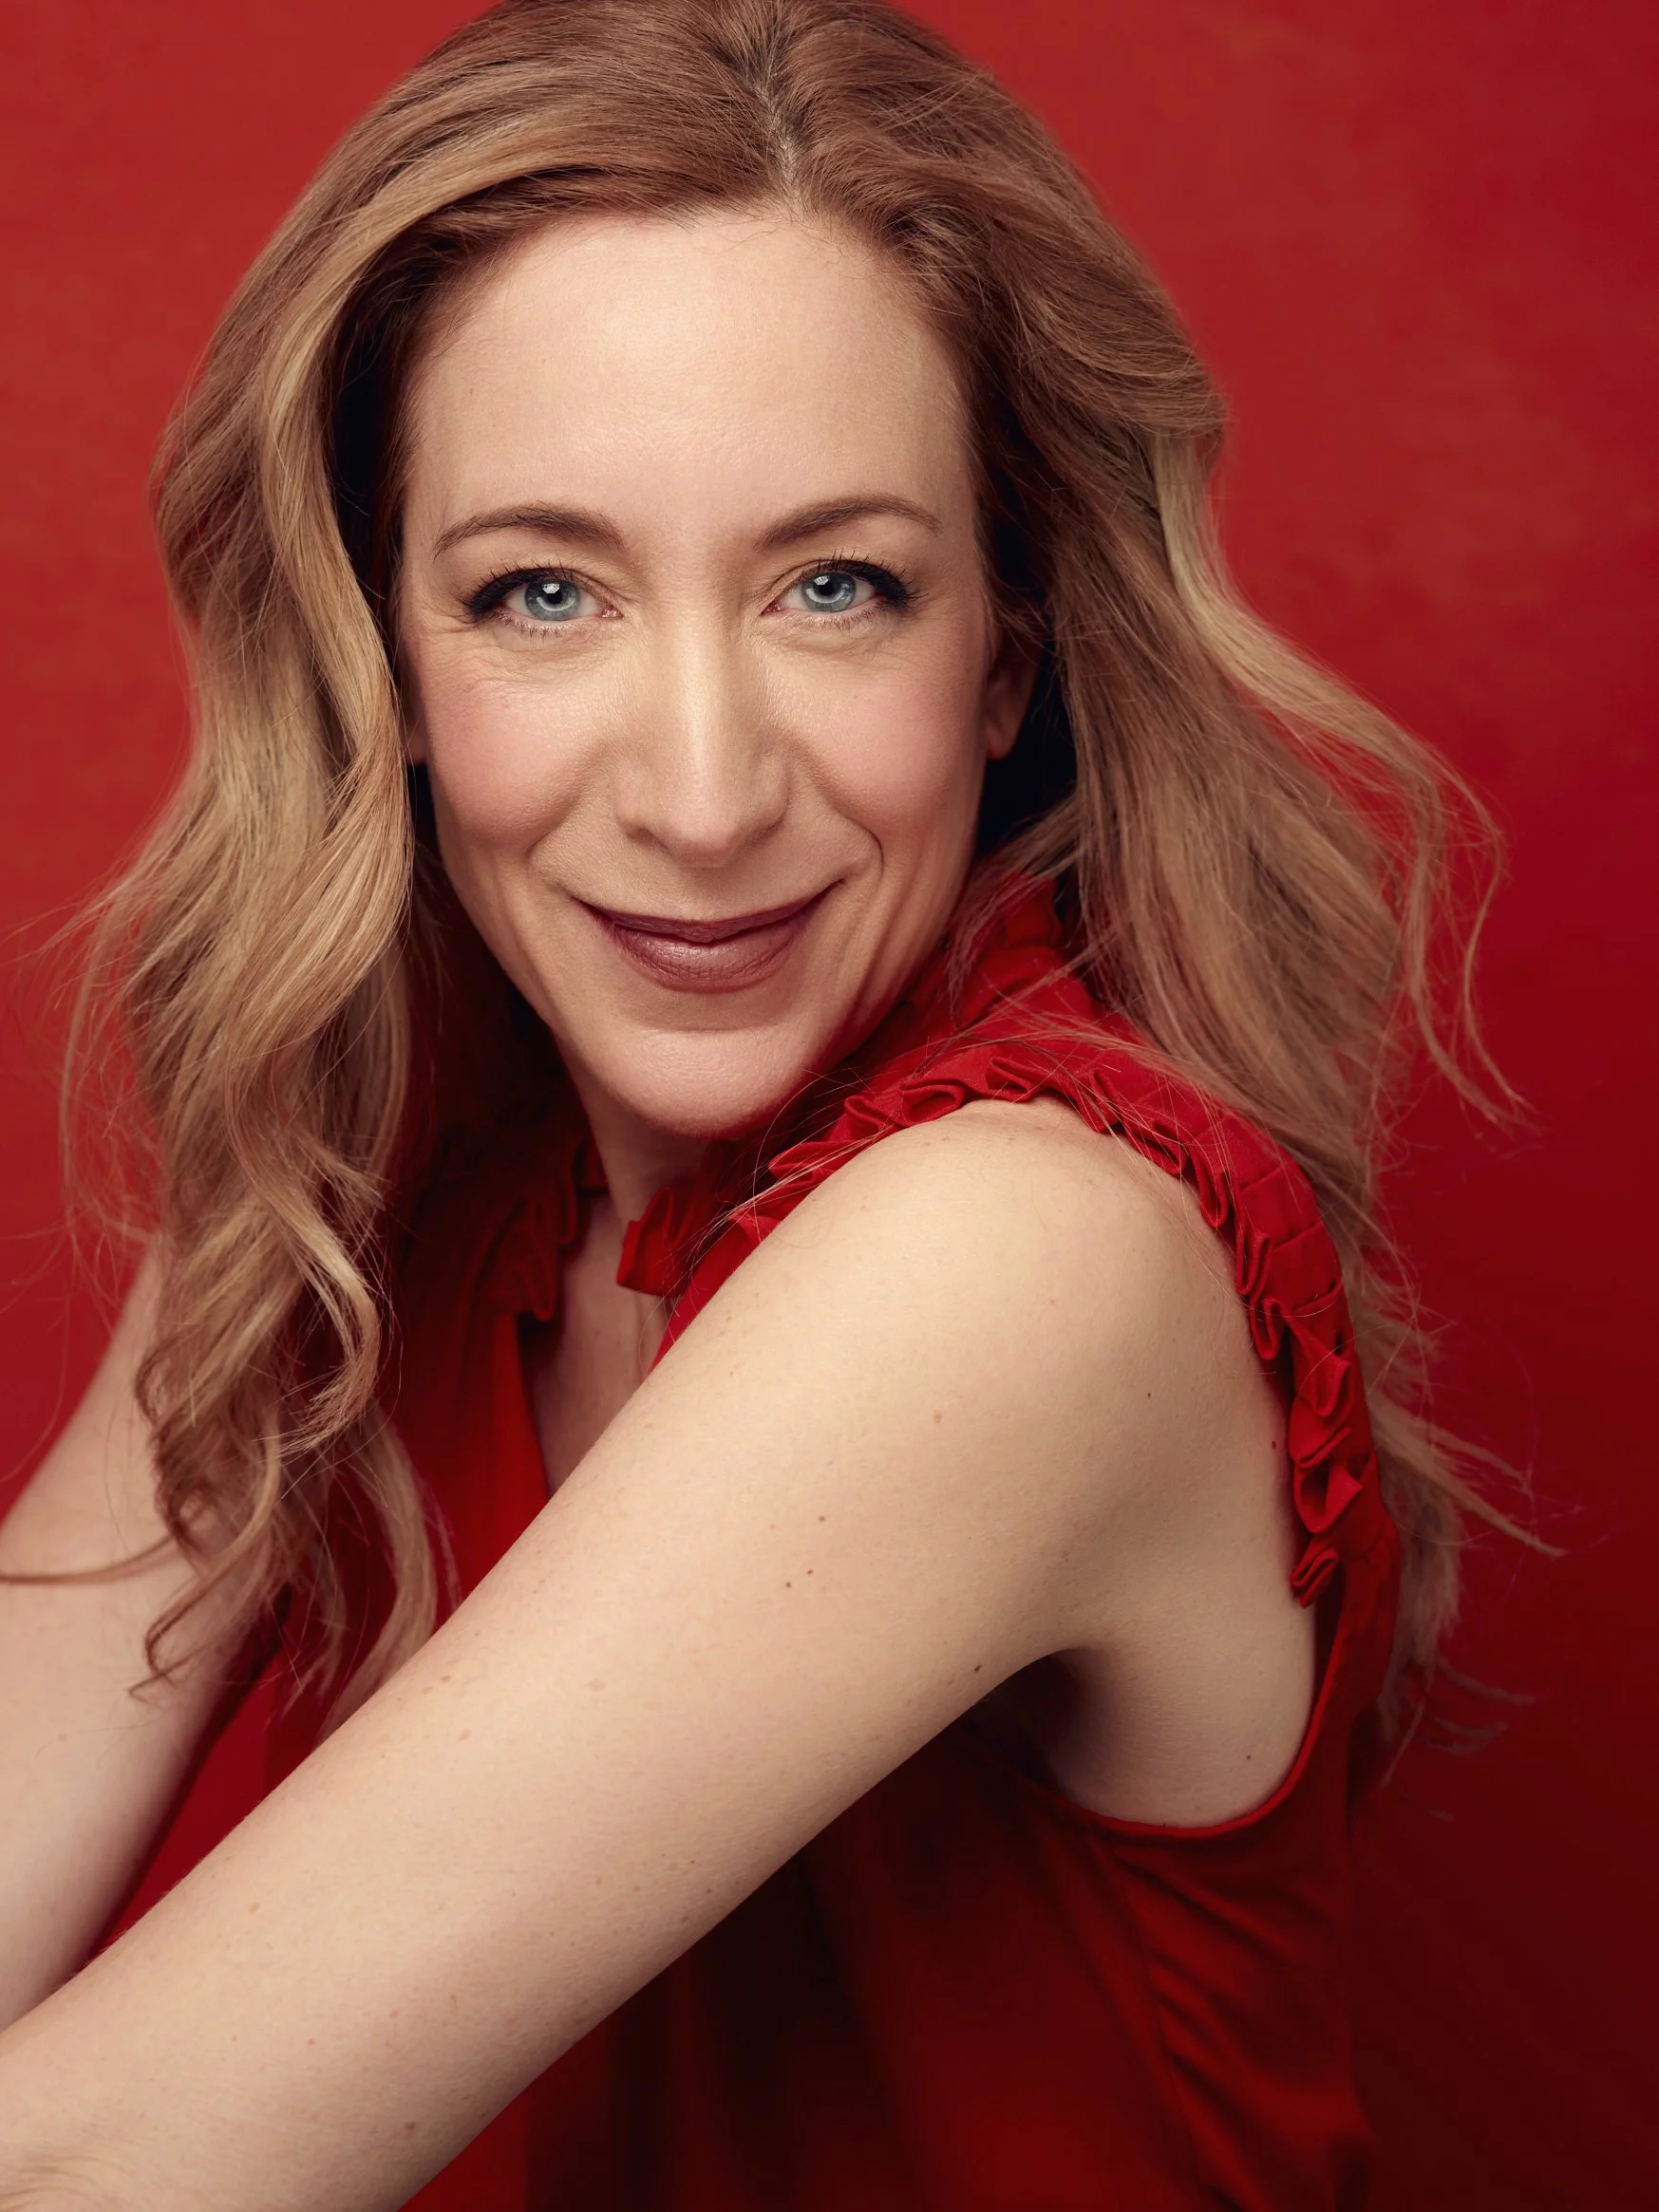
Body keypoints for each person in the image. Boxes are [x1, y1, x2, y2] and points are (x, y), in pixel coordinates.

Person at [0, 1, 1505, 2204]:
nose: (703, 797)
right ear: (379, 659)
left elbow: (108, 2162)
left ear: (1001, 656)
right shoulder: (385, 1166)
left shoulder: (1023, 1253)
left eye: (837, 587)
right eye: (542, 592)